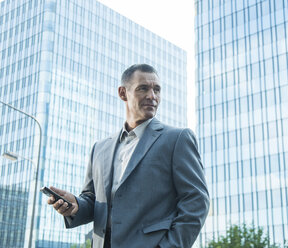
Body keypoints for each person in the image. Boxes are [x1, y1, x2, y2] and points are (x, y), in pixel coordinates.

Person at [46, 64, 210, 248]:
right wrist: (75, 205)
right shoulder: (100, 148)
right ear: (123, 93)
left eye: (157, 89)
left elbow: (197, 200)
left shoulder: (177, 139)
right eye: (143, 88)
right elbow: (93, 199)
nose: (152, 96)